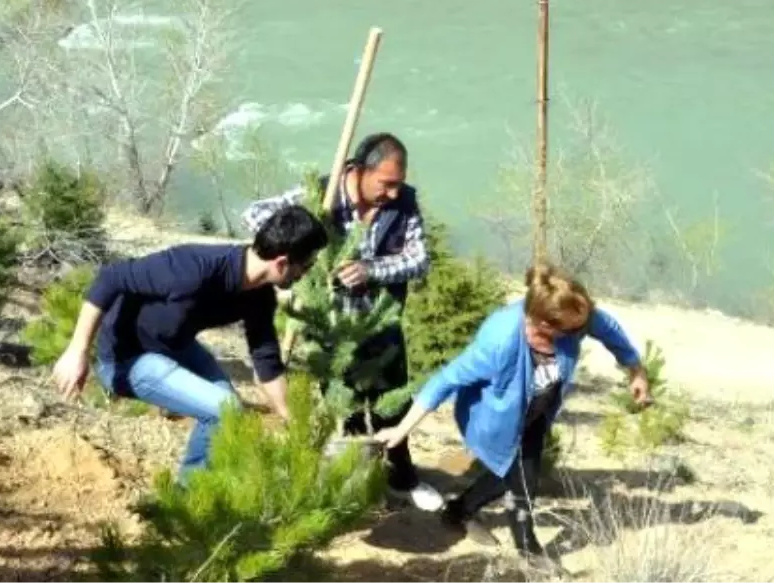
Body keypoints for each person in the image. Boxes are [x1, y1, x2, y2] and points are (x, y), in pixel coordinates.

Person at [373, 263, 652, 562]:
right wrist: (402, 429)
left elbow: (608, 329)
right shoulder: (501, 339)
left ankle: (458, 510)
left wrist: (636, 370)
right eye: (573, 329)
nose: (580, 332)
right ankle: (529, 551)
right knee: (524, 482)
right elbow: (445, 380)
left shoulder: (573, 315)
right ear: (543, 324)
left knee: (506, 473)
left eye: (581, 326)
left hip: (535, 414)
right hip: (494, 418)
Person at [240, 132, 444, 512]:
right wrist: (302, 250)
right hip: (332, 327)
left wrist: (372, 269)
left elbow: (419, 259)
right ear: (359, 171)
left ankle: (403, 478)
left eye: (398, 184)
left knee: (394, 404)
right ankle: (358, 479)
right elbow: (253, 214)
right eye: (387, 184)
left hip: (382, 324)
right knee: (345, 407)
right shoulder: (324, 193)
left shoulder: (404, 205)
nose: (394, 193)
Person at [50, 204, 329, 481]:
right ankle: (189, 499)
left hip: (174, 347)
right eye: (307, 265)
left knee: (229, 413)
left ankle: (209, 484)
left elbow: (266, 363)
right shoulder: (192, 268)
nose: (305, 273)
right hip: (126, 358)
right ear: (282, 263)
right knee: (225, 409)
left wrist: (294, 421)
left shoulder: (259, 297)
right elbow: (110, 278)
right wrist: (78, 350)